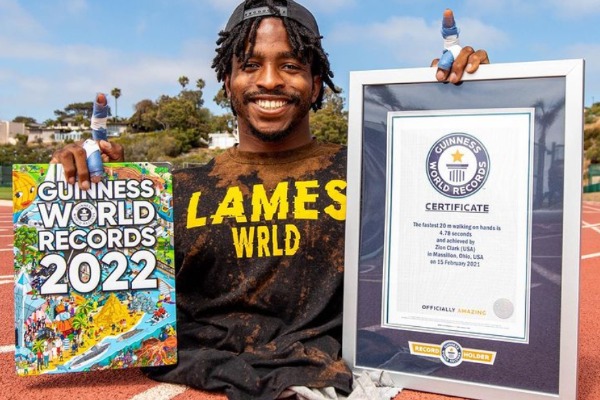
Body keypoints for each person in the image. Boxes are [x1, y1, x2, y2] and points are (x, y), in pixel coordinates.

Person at [51, 1, 488, 399]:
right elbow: (96, 310)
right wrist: (96, 197)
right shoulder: (177, 190)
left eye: (291, 65)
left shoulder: (370, 169)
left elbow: (469, 199)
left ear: (315, 85)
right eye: (250, 65)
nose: (269, 80)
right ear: (228, 82)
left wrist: (470, 97)